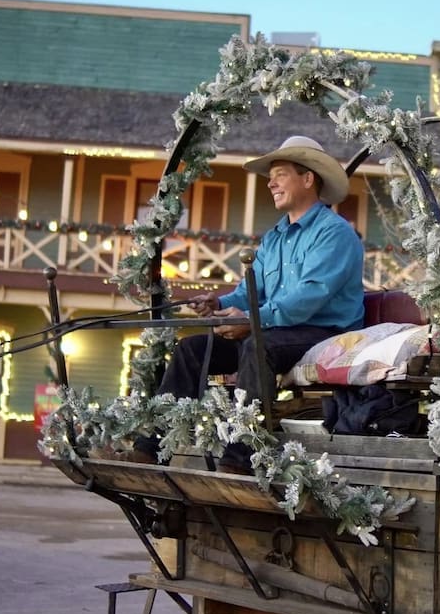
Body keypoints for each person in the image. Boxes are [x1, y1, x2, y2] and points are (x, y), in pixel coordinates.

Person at [134, 135, 365, 472]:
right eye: (271, 176)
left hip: (325, 333)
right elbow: (250, 291)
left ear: (308, 178)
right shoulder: (273, 238)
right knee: (191, 350)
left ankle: (242, 457)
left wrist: (251, 320)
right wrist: (219, 302)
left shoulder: (335, 233)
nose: (270, 182)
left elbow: (308, 297)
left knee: (257, 345)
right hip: (276, 328)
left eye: (280, 174)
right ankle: (149, 447)